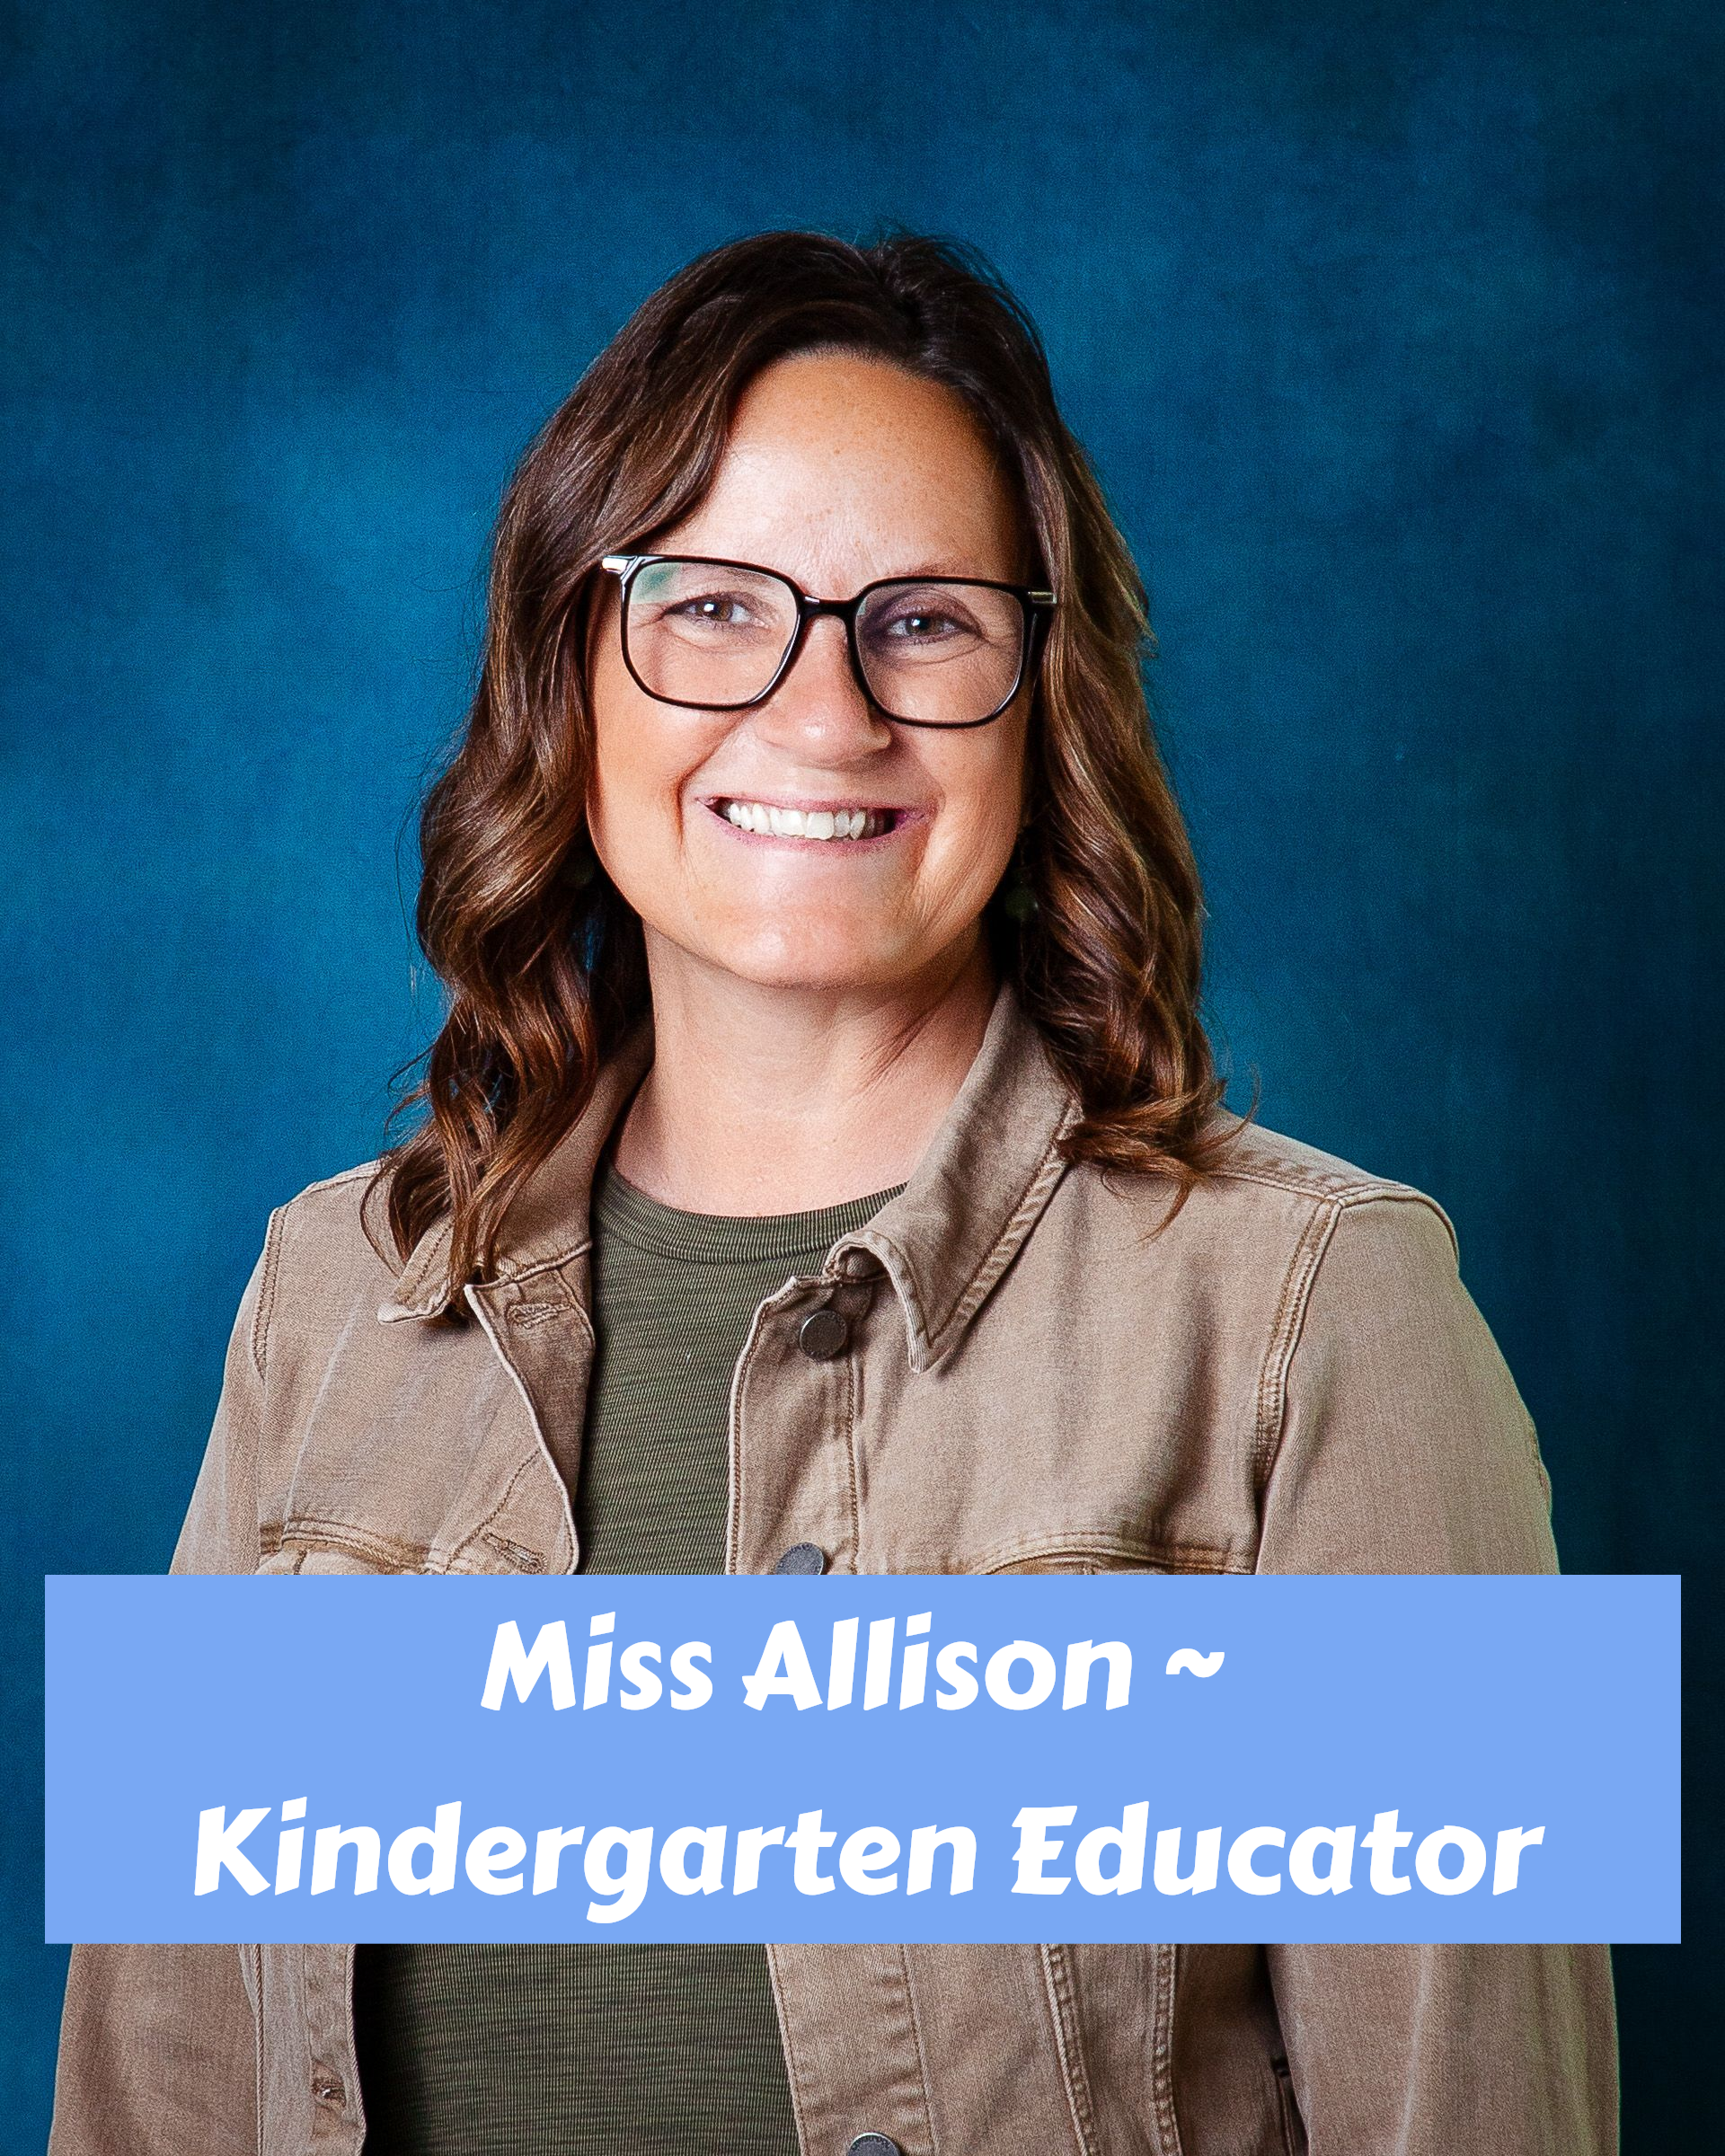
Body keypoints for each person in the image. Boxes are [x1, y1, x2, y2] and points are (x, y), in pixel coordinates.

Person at [49, 230, 1618, 2156]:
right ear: (572, 664)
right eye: (710, 605)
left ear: (1049, 699)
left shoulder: (1330, 1306)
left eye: (925, 619)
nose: (821, 712)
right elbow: (156, 2097)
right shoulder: (327, 1294)